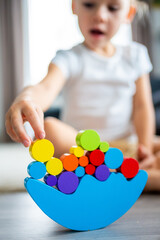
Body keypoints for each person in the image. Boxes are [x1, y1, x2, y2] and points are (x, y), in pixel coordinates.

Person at [5, 0, 160, 191]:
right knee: (50, 129)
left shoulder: (135, 55)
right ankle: (139, 178)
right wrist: (26, 100)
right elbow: (45, 88)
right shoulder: (69, 58)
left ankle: (123, 172)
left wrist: (145, 150)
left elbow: (142, 106)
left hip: (127, 148)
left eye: (112, 8)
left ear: (129, 13)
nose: (100, 16)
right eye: (89, 4)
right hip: (82, 149)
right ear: (74, 6)